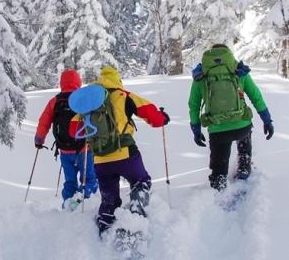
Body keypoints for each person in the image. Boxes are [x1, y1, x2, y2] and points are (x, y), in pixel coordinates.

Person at [71, 65, 170, 235]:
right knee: (141, 181)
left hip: (101, 159)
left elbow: (73, 130)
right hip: (126, 154)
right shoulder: (124, 95)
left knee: (109, 197)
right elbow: (152, 116)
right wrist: (163, 118)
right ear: (118, 79)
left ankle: (105, 227)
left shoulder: (90, 102)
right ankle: (135, 214)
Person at [188, 44, 274, 191]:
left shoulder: (201, 76)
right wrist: (267, 120)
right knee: (244, 141)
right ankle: (244, 169)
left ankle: (218, 189)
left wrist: (196, 130)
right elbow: (256, 96)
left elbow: (193, 105)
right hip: (242, 126)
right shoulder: (238, 70)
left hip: (217, 130)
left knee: (219, 171)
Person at [34, 69, 98, 208]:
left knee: (70, 181)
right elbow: (95, 119)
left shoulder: (55, 101)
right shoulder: (83, 99)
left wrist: (39, 140)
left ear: (62, 83)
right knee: (89, 179)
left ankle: (68, 202)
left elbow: (43, 122)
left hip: (64, 150)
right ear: (78, 82)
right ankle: (82, 200)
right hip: (84, 148)